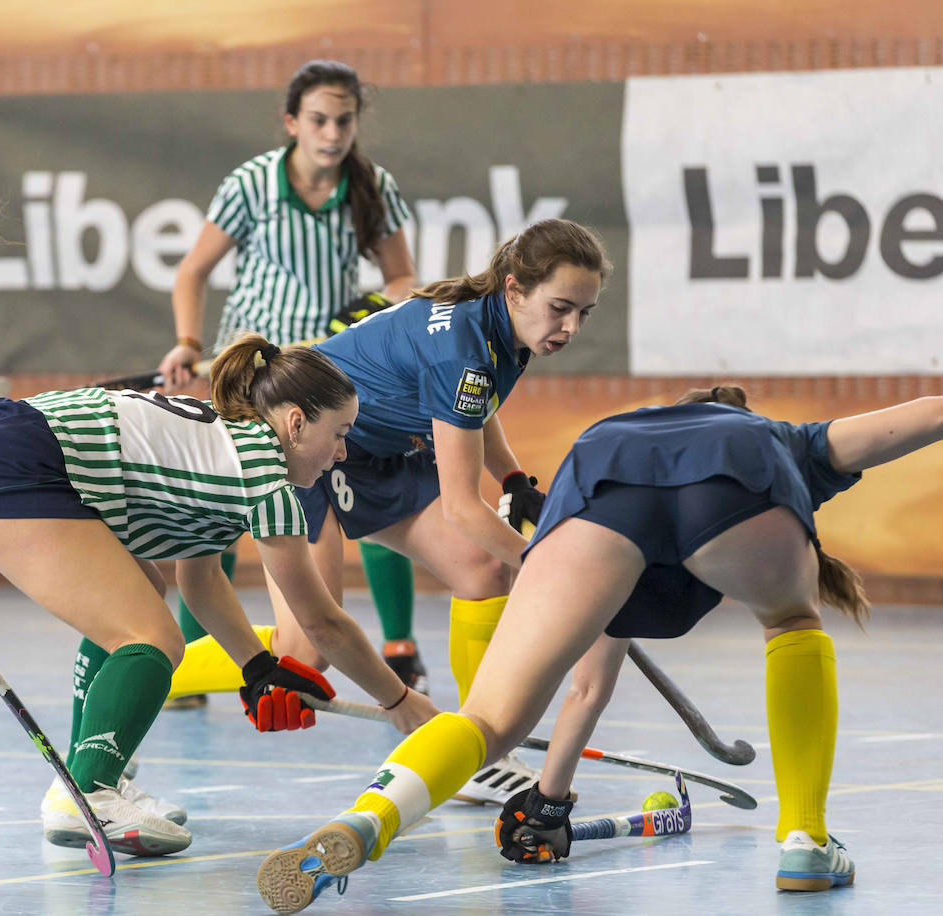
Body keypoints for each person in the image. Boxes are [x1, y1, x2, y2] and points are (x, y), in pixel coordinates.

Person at [257, 384, 943, 912]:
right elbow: (923, 415)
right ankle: (805, 842)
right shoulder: (777, 435)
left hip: (602, 499)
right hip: (743, 493)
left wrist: (546, 802)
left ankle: (370, 816)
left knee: (489, 720)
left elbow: (586, 685)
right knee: (793, 627)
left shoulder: (623, 435)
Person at [0, 334, 439, 857]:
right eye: (339, 433)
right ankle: (88, 790)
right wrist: (401, 702)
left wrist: (257, 666)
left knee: (142, 598)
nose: (343, 451)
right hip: (14, 464)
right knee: (150, 634)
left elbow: (199, 580)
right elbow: (323, 625)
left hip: (3, 449)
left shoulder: (228, 446)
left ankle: (84, 779)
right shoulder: (265, 480)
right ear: (295, 423)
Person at [169, 217, 610, 803]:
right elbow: (460, 506)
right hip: (308, 445)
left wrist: (508, 475)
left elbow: (475, 404)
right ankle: (149, 665)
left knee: (482, 571)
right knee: (304, 655)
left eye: (584, 312)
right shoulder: (465, 346)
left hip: (376, 451)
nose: (571, 326)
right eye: (561, 307)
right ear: (514, 288)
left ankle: (478, 747)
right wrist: (549, 569)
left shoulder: (503, 327)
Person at [157, 59, 429, 699]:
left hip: (330, 372)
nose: (332, 133)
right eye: (318, 120)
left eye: (344, 120)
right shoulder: (252, 183)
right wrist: (189, 343)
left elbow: (403, 280)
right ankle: (184, 657)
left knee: (363, 487)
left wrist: (377, 309)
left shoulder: (373, 187)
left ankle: (397, 642)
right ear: (291, 122)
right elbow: (193, 271)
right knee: (224, 506)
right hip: (253, 376)